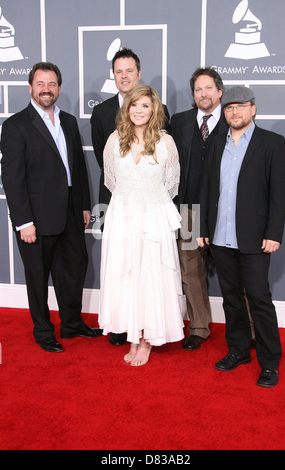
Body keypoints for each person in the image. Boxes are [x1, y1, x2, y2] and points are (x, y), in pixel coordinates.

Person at [1, 62, 102, 353]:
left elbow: (78, 168)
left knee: (73, 270)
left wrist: (83, 206)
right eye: (41, 84)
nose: (47, 89)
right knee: (37, 276)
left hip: (71, 211)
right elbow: (13, 178)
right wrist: (24, 222)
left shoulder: (68, 121)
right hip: (36, 216)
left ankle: (72, 323)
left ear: (59, 87)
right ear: (31, 87)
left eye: (52, 84)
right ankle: (43, 330)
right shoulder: (15, 125)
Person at [198, 86, 285, 387]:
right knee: (231, 299)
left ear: (253, 109)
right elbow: (207, 188)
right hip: (221, 237)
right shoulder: (215, 144)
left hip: (254, 237)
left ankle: (270, 361)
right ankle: (238, 350)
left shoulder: (272, 143)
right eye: (229, 107)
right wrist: (203, 229)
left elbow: (279, 194)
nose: (234, 112)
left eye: (241, 106)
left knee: (260, 300)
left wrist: (273, 232)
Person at [98, 84, 185, 366]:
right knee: (128, 277)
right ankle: (134, 336)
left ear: (154, 110)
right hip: (122, 216)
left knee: (151, 277)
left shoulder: (165, 142)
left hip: (153, 219)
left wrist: (147, 200)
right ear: (127, 108)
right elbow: (111, 182)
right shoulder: (114, 140)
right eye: (134, 105)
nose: (139, 110)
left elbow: (171, 186)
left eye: (145, 105)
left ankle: (147, 340)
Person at [91, 47, 169, 346]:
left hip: (150, 211)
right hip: (118, 205)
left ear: (139, 73)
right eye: (118, 71)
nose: (124, 76)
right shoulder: (101, 115)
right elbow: (105, 163)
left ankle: (147, 329)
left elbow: (166, 175)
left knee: (148, 270)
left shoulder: (162, 124)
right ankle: (123, 324)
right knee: (121, 267)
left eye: (129, 71)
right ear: (114, 76)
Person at [171, 67, 228, 351]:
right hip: (189, 210)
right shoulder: (180, 122)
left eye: (208, 88)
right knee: (191, 270)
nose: (203, 94)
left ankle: (249, 329)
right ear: (193, 95)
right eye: (198, 90)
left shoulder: (232, 120)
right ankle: (199, 326)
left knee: (235, 271)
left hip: (224, 212)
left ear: (219, 91)